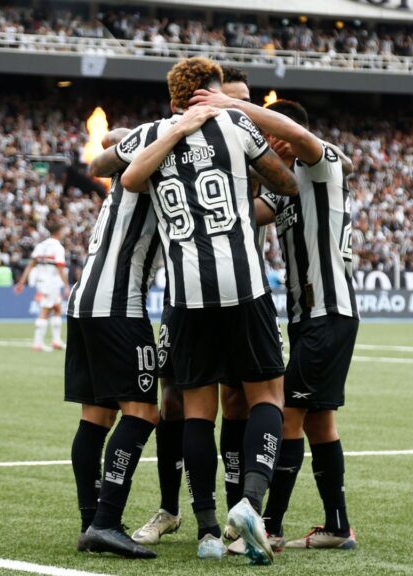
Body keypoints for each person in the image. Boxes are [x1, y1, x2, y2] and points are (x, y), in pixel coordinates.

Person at [120, 57, 299, 564]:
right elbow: (285, 182)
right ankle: (251, 503)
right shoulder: (237, 123)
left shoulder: (152, 134)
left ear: (173, 99)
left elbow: (120, 169)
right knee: (267, 394)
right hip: (243, 283)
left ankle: (205, 530)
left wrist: (170, 128)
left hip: (186, 292)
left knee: (197, 408)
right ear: (215, 92)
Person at [192, 91, 359, 550]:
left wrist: (231, 106)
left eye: (271, 136)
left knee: (287, 413)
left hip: (329, 311)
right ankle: (337, 527)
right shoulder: (286, 188)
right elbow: (245, 216)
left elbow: (300, 135)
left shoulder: (320, 163)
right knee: (320, 423)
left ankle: (269, 527)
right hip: (312, 317)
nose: (269, 144)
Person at [131, 63, 254, 548]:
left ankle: (236, 512)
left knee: (238, 399)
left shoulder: (246, 138)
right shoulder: (178, 137)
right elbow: (115, 157)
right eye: (226, 97)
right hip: (186, 293)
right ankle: (172, 509)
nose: (228, 107)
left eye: (241, 101)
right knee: (175, 400)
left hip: (243, 293)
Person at [65, 128, 163, 559]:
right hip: (120, 303)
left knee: (96, 417)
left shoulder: (129, 166)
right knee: (143, 413)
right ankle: (105, 522)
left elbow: (110, 138)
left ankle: (92, 520)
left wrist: (141, 134)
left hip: (83, 299)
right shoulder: (160, 167)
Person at [15, 221, 68, 351]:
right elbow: (60, 267)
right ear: (59, 231)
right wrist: (66, 285)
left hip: (42, 281)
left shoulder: (40, 245)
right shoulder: (58, 247)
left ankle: (56, 340)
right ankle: (37, 343)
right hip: (51, 282)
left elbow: (31, 264)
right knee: (45, 310)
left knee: (57, 308)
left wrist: (22, 281)